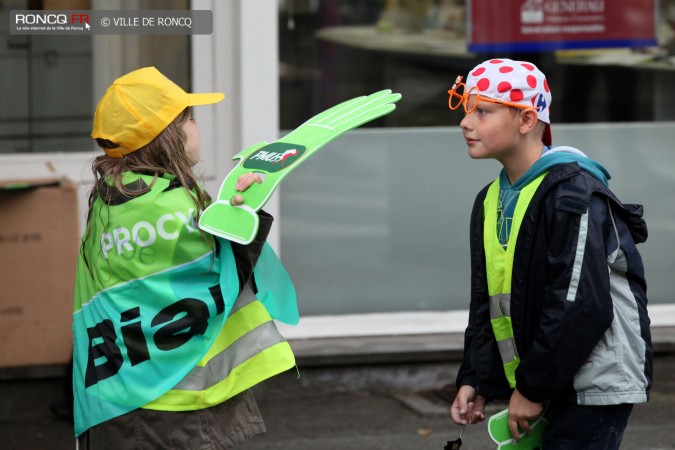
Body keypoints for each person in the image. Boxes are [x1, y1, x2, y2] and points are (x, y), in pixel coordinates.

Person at [72, 66, 298, 449]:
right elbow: (224, 279)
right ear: (166, 136)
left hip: (118, 397)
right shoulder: (172, 206)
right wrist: (245, 215)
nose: (196, 126)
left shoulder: (112, 202)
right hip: (168, 408)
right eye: (188, 118)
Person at [447, 58, 652, 449]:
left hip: (593, 383)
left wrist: (533, 388)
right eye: (466, 109)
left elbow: (579, 304)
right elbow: (487, 299)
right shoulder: (490, 200)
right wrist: (476, 377)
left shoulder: (573, 194)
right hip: (547, 375)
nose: (465, 122)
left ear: (526, 120)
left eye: (483, 111)